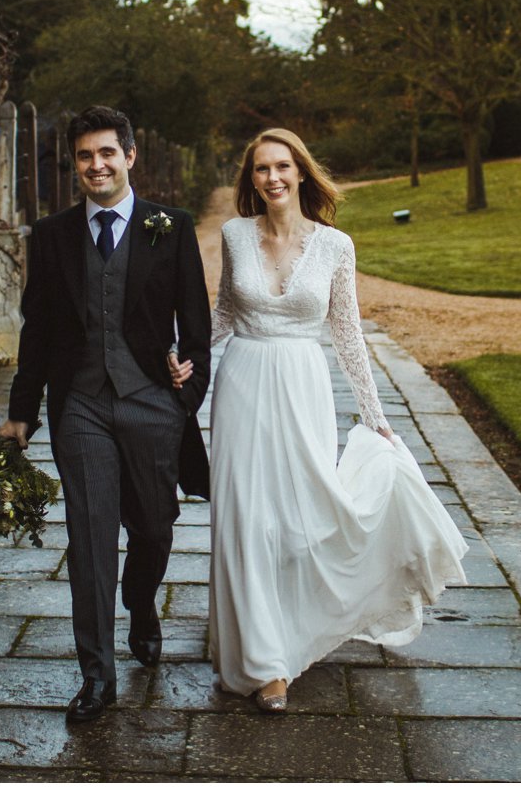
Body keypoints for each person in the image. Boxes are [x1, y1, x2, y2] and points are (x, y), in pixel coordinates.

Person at [168, 127, 467, 712]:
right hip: (243, 384)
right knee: (247, 519)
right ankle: (263, 662)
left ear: (301, 172)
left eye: (282, 167)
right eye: (261, 170)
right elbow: (225, 311)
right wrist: (187, 358)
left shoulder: (336, 246)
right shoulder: (233, 235)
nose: (273, 178)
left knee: (302, 519)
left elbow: (347, 333)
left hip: (303, 385)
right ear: (250, 179)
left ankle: (297, 623)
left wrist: (375, 415)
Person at [0, 105, 211, 725]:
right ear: (76, 164)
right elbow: (37, 328)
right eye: (86, 156)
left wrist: (186, 390)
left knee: (155, 528)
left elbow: (196, 329)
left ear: (130, 156)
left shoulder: (169, 228)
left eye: (107, 153)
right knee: (90, 539)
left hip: (151, 403)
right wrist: (20, 411)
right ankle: (97, 676)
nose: (97, 165)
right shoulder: (53, 234)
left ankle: (140, 604)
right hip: (81, 405)